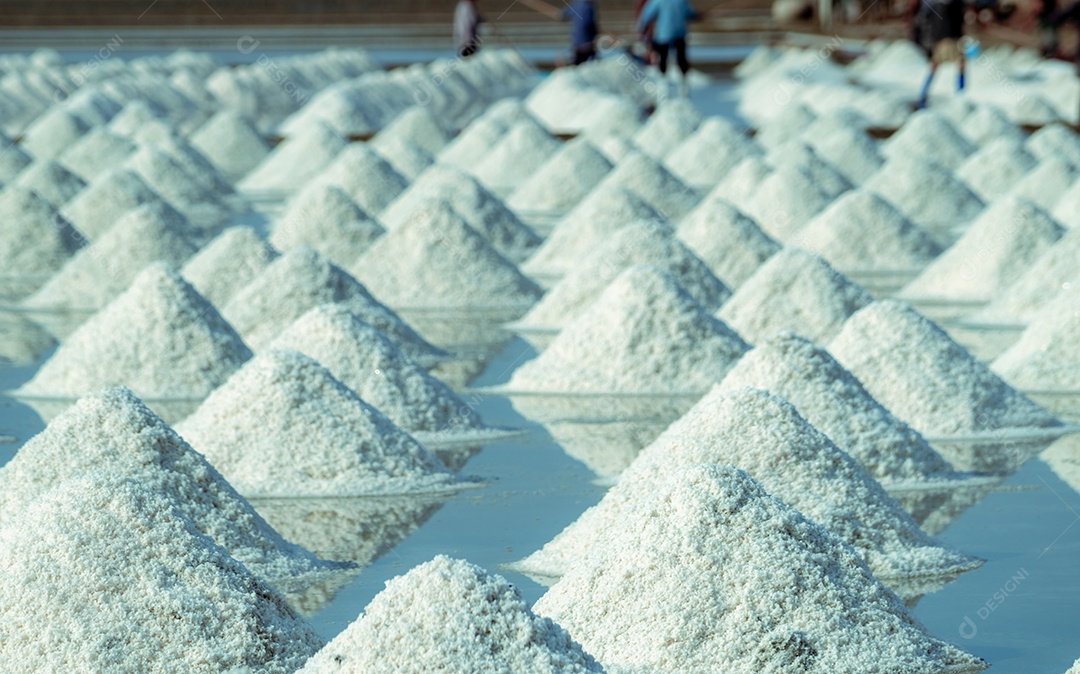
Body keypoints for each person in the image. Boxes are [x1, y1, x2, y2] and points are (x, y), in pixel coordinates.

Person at [637, 0, 700, 96]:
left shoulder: (657, 1)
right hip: (678, 34)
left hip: (664, 35)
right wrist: (696, 16)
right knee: (681, 60)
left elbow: (646, 16)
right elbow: (689, 13)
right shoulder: (681, 1)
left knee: (664, 60)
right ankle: (682, 86)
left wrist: (641, 29)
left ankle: (666, 86)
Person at [912, 0, 966, 108]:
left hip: (938, 39)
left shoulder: (932, 4)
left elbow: (922, 20)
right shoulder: (953, 4)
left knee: (935, 66)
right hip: (951, 39)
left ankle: (923, 95)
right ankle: (960, 96)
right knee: (961, 64)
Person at [520, 0, 600, 65]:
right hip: (587, 46)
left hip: (578, 46)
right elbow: (591, 27)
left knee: (579, 63)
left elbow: (561, 16)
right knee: (588, 62)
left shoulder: (576, 5)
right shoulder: (590, 8)